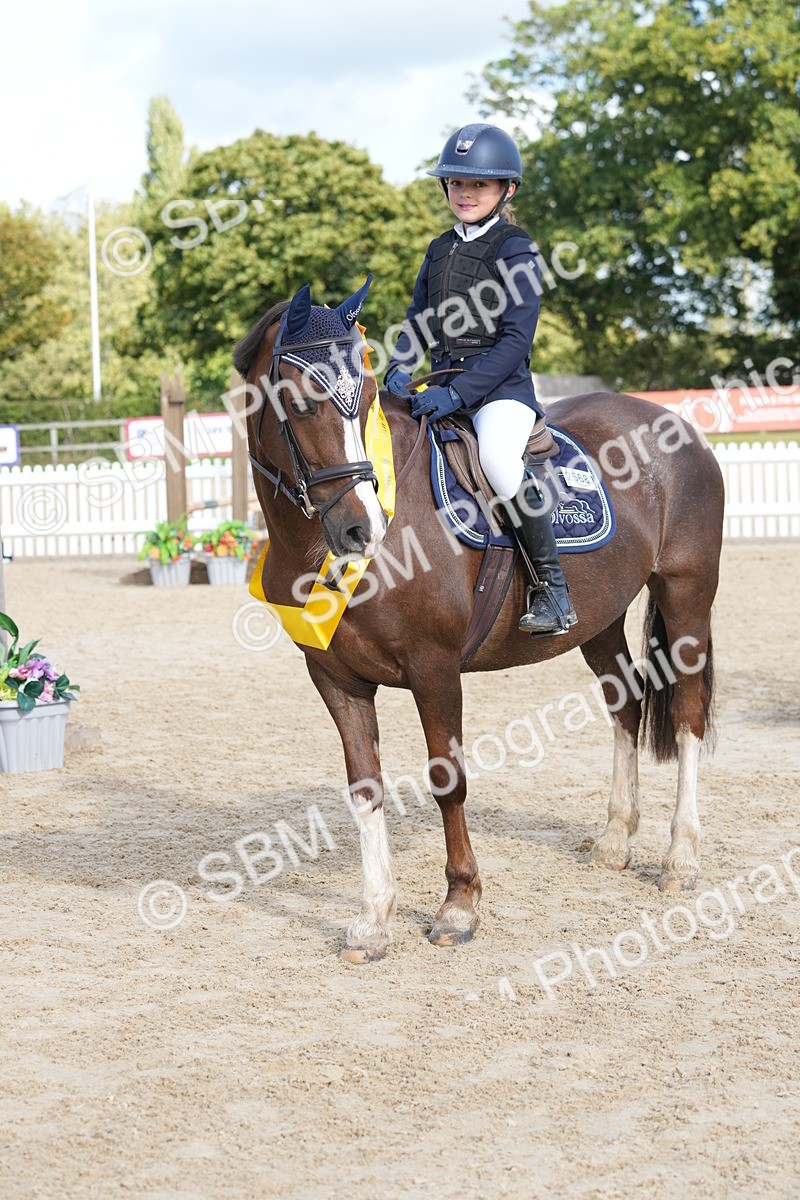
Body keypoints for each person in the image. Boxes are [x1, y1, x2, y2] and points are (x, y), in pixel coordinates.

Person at [384, 123, 577, 636]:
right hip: (442, 384)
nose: (465, 194)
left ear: (506, 190)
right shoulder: (439, 248)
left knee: (495, 458)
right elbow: (418, 317)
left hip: (499, 391)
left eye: (479, 186)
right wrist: (400, 365)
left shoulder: (516, 249)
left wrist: (458, 394)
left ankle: (553, 590)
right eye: (456, 184)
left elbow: (516, 342)